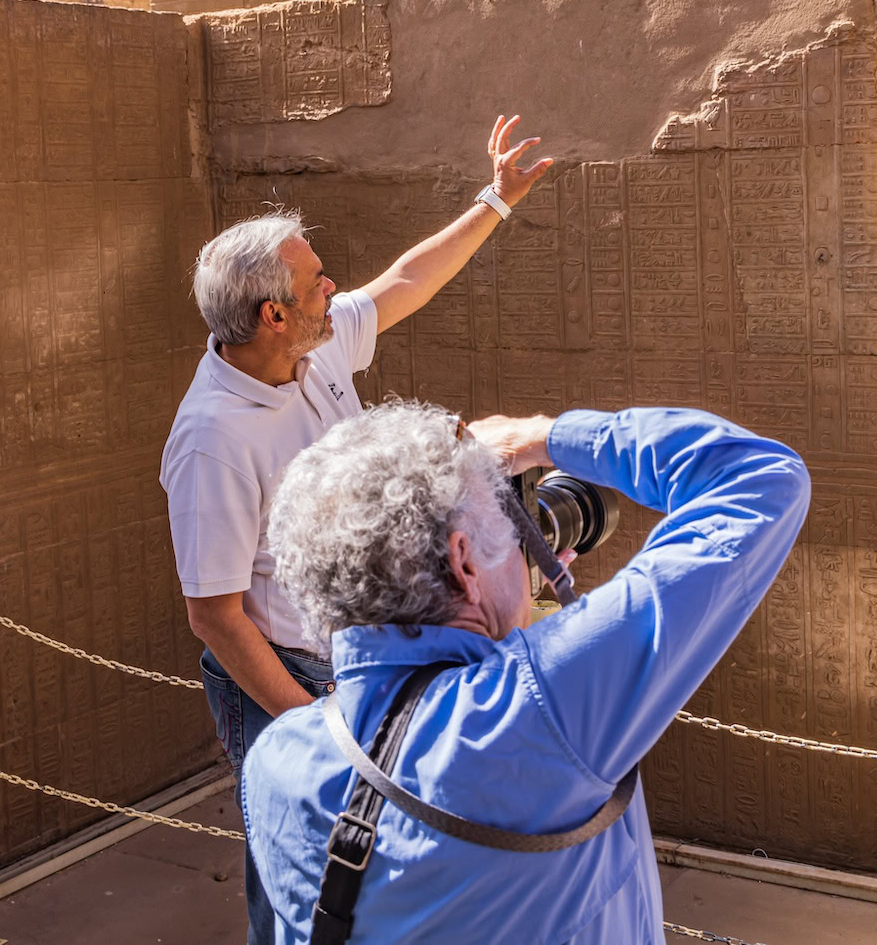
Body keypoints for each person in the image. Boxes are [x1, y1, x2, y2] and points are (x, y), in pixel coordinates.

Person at [162, 115, 553, 942]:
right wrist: (309, 717)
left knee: (374, 866)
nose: (334, 287)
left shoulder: (315, 345)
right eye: (314, 283)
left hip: (361, 658)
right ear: (273, 315)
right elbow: (214, 614)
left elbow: (407, 281)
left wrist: (496, 200)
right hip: (287, 674)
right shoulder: (213, 440)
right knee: (297, 864)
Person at [241, 401, 809, 943]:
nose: (527, 551)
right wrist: (537, 437)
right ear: (464, 564)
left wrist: (507, 616)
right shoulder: (543, 707)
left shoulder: (276, 760)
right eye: (514, 536)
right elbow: (760, 475)